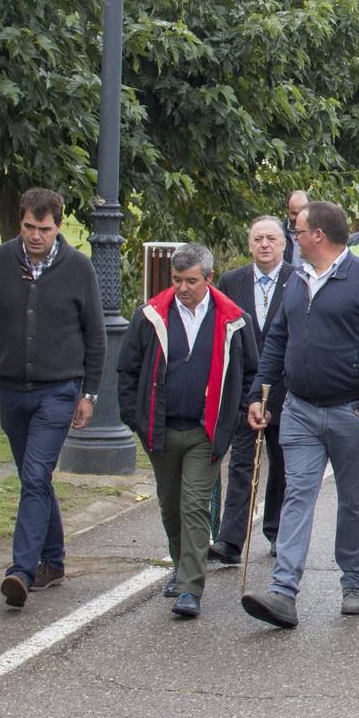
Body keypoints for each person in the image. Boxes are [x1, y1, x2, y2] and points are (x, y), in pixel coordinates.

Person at [242, 200, 359, 629]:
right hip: (299, 410)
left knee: (353, 500)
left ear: (318, 236)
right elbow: (278, 338)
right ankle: (283, 592)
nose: (292, 237)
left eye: (297, 231)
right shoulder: (296, 280)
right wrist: (260, 393)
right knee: (297, 495)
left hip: (349, 411)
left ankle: (353, 581)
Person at [0, 187, 102, 609]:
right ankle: (53, 560)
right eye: (29, 227)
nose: (36, 236)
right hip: (12, 391)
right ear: (21, 223)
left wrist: (89, 393)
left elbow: (95, 335)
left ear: (59, 227)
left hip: (59, 390)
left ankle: (21, 570)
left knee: (34, 476)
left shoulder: (79, 268)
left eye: (44, 229)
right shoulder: (0, 262)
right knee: (35, 478)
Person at [116, 243, 258, 618]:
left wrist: (239, 413)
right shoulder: (150, 316)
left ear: (209, 279)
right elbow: (127, 370)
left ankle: (190, 588)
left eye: (191, 281)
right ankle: (181, 567)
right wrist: (136, 419)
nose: (182, 288)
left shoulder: (233, 319)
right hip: (159, 430)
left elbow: (252, 374)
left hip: (204, 431)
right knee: (170, 506)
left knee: (194, 505)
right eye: (177, 280)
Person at [210, 217, 296, 566]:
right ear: (249, 245)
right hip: (244, 389)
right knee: (242, 463)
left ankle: (276, 530)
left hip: (285, 389)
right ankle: (230, 539)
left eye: (271, 239)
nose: (264, 244)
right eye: (258, 239)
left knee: (282, 464)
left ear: (283, 244)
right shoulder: (232, 281)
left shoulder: (297, 279)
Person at [282, 188, 310, 268]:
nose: (298, 218)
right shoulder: (278, 233)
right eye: (293, 213)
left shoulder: (319, 233)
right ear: (287, 210)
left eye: (301, 212)